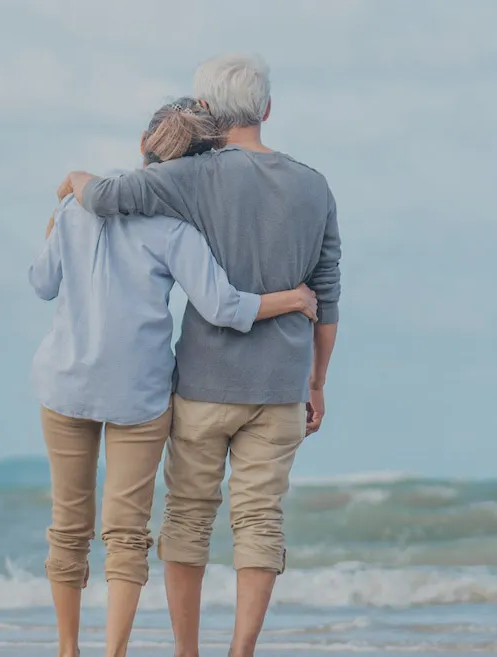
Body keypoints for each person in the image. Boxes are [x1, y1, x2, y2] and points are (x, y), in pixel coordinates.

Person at [54, 53, 342, 657]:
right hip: (282, 384)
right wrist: (317, 383)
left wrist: (74, 178)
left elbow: (107, 197)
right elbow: (328, 292)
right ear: (267, 109)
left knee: (187, 517)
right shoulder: (315, 185)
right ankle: (241, 651)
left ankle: (187, 651)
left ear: (207, 113)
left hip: (206, 381)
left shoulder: (193, 175)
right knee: (260, 521)